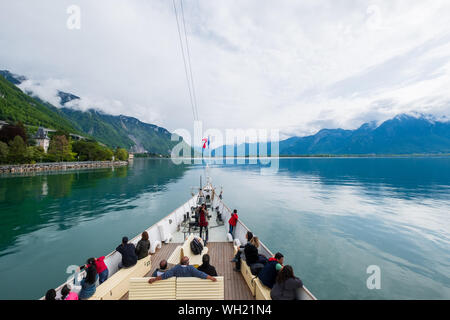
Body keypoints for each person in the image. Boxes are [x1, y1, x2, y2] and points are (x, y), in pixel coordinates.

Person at [148, 256, 217, 284]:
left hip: (180, 286)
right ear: (187, 263)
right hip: (189, 285)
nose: (189, 262)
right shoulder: (191, 268)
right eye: (188, 261)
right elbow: (201, 274)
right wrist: (211, 277)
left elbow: (165, 275)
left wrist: (154, 279)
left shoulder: (176, 268)